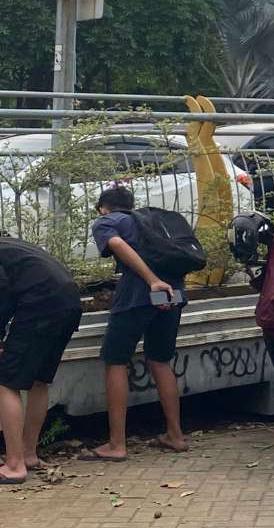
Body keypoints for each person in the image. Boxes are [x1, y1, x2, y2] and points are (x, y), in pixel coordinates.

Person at [81, 186, 188, 462]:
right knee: (161, 361)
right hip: (173, 294)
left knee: (115, 361)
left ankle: (117, 445)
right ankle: (175, 435)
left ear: (103, 207)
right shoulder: (150, 220)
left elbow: (116, 245)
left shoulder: (107, 221)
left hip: (138, 295)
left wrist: (151, 279)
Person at [0, 239, 82, 483]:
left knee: (5, 382)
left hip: (40, 305)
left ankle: (14, 465)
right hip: (68, 303)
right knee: (38, 380)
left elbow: (1, 288)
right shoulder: (12, 245)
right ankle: (28, 454)